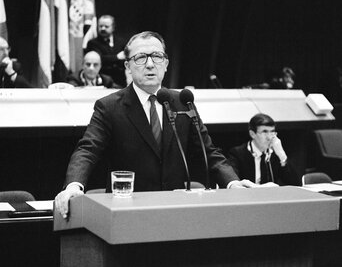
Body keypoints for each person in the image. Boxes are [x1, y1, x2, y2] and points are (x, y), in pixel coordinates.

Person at [55, 30, 255, 218]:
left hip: (175, 210)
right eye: (141, 58)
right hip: (126, 212)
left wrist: (233, 183)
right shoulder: (110, 107)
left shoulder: (182, 102)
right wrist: (74, 185)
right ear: (128, 67)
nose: (150, 64)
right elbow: (87, 150)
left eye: (157, 57)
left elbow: (209, 152)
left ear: (166, 64)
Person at [228, 113, 300, 186]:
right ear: (252, 134)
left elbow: (295, 184)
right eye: (265, 132)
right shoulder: (238, 153)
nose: (269, 137)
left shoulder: (275, 153)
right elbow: (235, 184)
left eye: (272, 132)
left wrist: (282, 155)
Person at [85, 15, 126, 87]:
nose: (103, 28)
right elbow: (99, 59)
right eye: (100, 26)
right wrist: (117, 57)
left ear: (113, 27)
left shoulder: (121, 42)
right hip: (103, 80)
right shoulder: (93, 43)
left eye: (106, 26)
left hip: (120, 79)